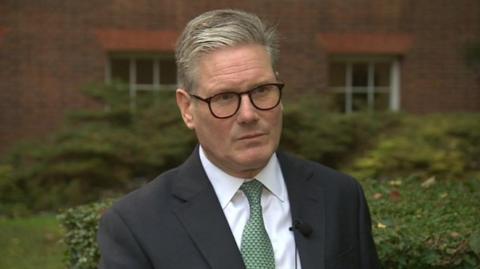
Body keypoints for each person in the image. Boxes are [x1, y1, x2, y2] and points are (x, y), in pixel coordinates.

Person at [97, 9, 380, 269]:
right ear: (187, 109)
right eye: (224, 97)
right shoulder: (136, 224)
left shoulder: (340, 196)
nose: (248, 114)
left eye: (261, 90)